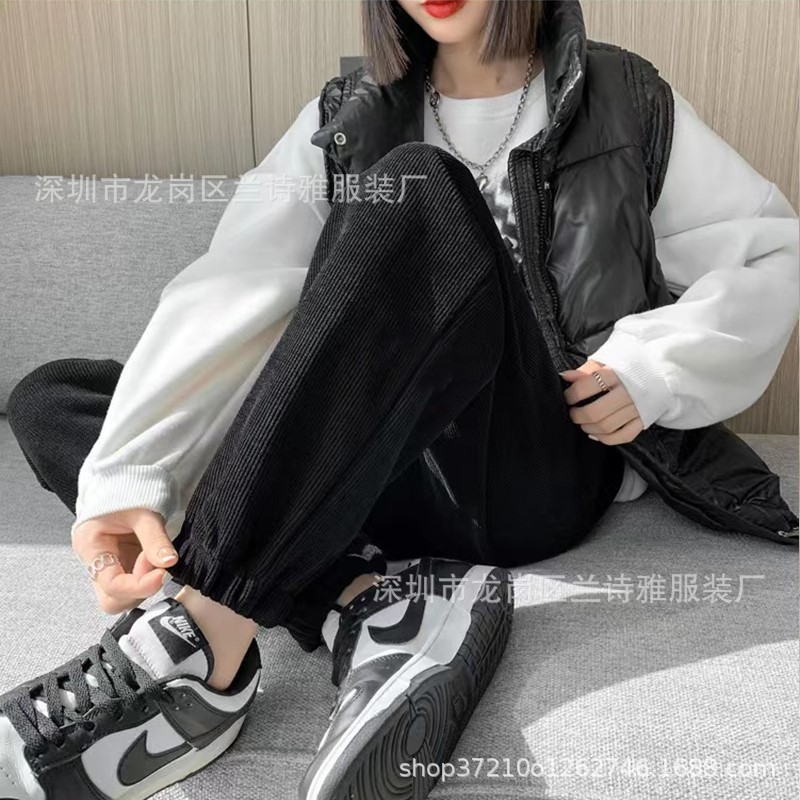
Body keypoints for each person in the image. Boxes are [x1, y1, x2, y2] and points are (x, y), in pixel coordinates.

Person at [2, 0, 798, 798]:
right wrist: (132, 474)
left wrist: (652, 368)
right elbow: (238, 284)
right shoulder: (347, 115)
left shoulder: (624, 97)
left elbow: (769, 254)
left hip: (534, 460)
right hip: (380, 472)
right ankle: (367, 603)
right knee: (56, 400)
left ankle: (205, 648)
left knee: (418, 187)